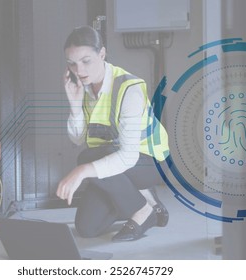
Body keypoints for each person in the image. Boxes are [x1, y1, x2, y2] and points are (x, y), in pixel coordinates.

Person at [56, 26, 170, 242]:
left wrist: (81, 172)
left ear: (102, 54)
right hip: (115, 163)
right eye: (72, 63)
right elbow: (79, 139)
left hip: (150, 163)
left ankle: (143, 211)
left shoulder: (129, 88)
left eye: (86, 60)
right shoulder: (85, 87)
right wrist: (75, 106)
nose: (78, 70)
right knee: (86, 228)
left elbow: (128, 156)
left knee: (87, 158)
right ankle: (148, 201)